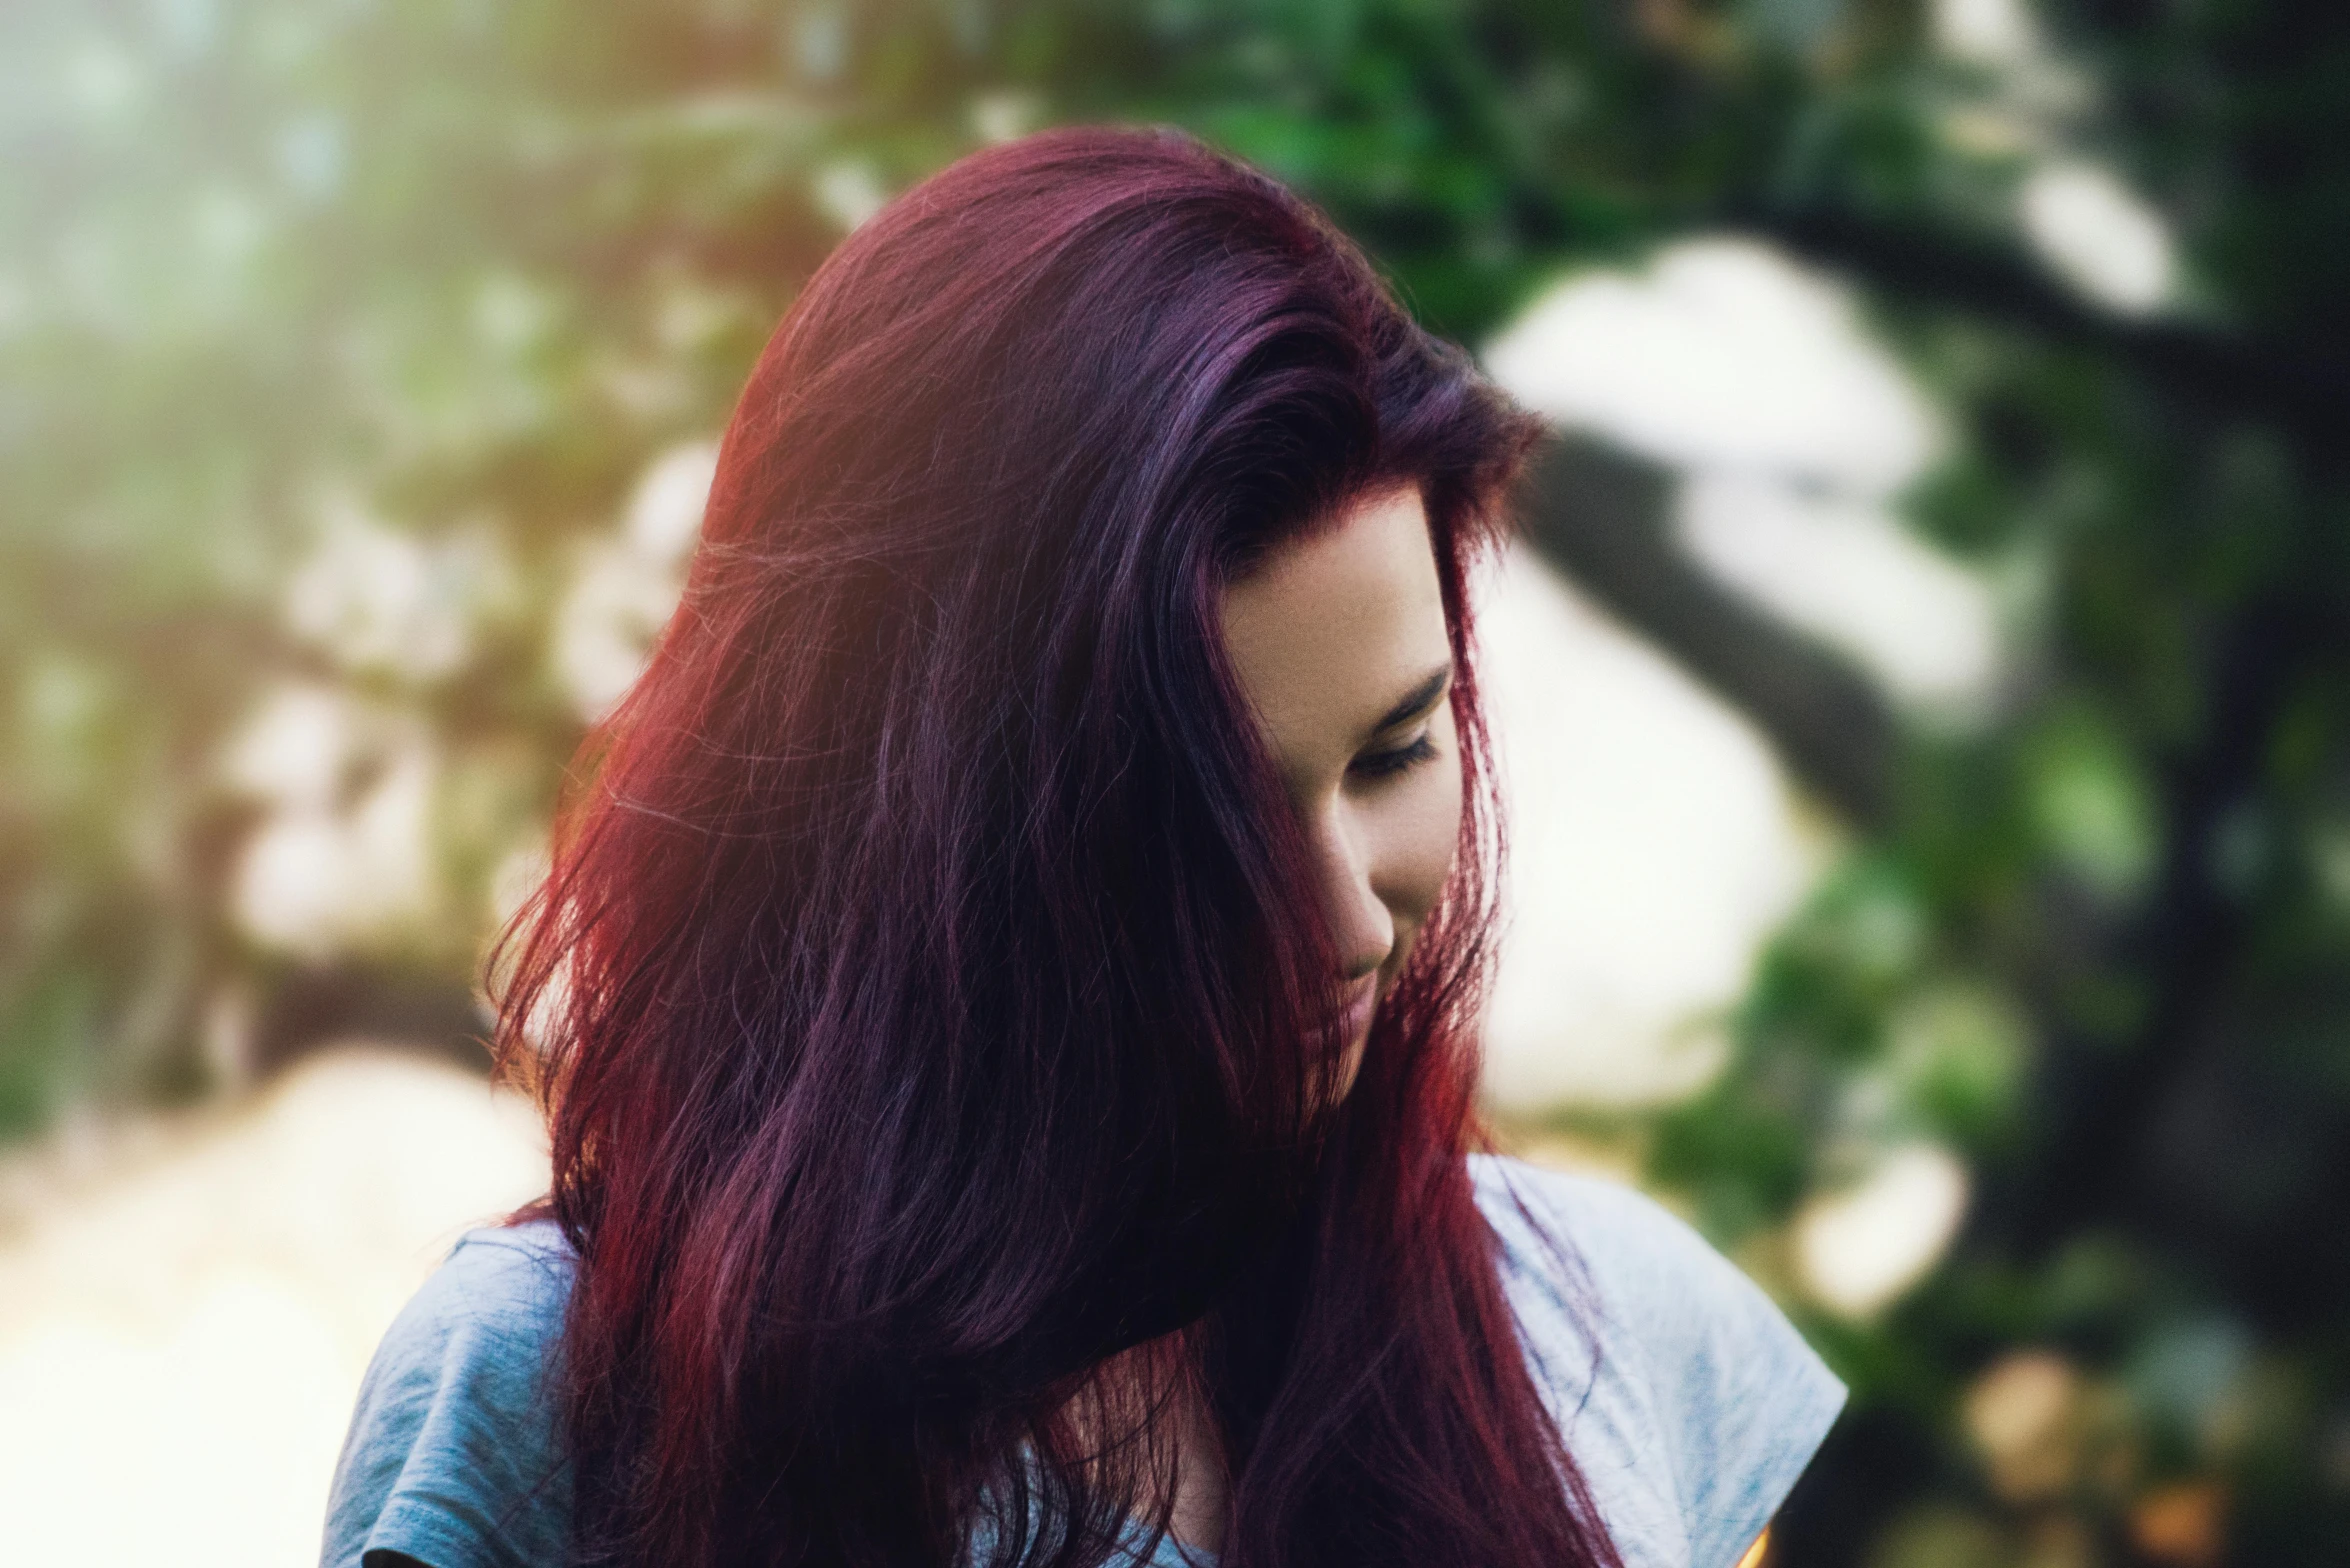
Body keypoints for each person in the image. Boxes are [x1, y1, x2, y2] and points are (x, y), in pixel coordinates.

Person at [320, 125, 1844, 1568]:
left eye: (1395, 753)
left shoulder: (1607, 1334)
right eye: (1207, 825)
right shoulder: (551, 1401)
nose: (1344, 927)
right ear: (915, 825)